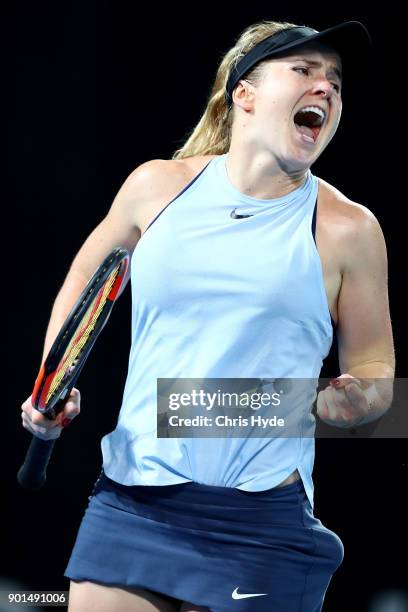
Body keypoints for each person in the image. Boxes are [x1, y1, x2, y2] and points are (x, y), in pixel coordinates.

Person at [21, 18, 395, 612]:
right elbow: (83, 286)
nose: (326, 87)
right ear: (243, 92)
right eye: (304, 70)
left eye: (337, 81)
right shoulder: (155, 186)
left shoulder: (351, 228)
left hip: (262, 527)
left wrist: (359, 400)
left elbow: (376, 372)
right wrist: (52, 381)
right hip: (132, 501)